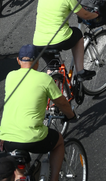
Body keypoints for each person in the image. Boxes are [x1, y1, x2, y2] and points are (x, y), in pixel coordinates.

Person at [0, 44, 76, 181]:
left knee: (20, 171)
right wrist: (71, 115)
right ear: (37, 61)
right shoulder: (44, 79)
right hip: (32, 138)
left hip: (7, 138)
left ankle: (21, 176)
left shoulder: (10, 76)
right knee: (58, 141)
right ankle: (54, 179)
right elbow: (62, 102)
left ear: (18, 60)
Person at [32, 0, 98, 78]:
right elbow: (85, 15)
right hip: (59, 39)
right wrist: (96, 15)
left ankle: (54, 85)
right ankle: (81, 71)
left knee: (53, 67)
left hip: (39, 42)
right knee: (78, 34)